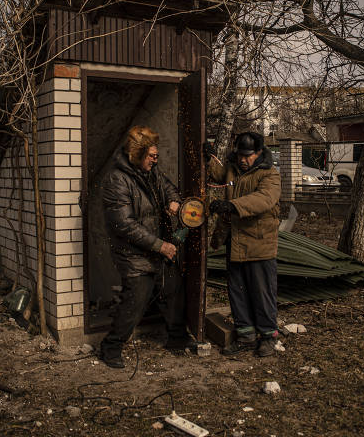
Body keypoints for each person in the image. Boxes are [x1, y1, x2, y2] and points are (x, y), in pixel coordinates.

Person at [98, 125, 194, 369]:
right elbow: (124, 225)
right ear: (136, 154)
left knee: (172, 290)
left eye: (156, 155)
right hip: (134, 253)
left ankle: (177, 338)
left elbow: (167, 187)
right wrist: (160, 246)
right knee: (135, 301)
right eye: (151, 155)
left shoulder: (151, 172)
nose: (155, 159)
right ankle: (111, 347)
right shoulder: (116, 180)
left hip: (157, 247)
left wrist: (174, 201)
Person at [205, 131, 281, 357]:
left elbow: (264, 199)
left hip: (259, 244)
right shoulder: (233, 169)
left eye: (248, 155)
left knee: (261, 292)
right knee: (237, 291)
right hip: (235, 242)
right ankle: (246, 336)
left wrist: (232, 205)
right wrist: (209, 158)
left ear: (258, 153)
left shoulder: (270, 175)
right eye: (240, 155)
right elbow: (220, 175)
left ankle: (268, 336)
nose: (243, 159)